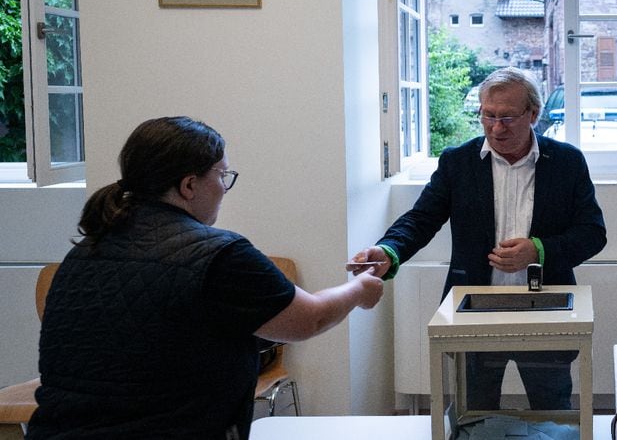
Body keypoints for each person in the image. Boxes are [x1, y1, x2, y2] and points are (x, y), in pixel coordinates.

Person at [27, 116, 384, 440]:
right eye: (222, 175)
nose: (224, 188)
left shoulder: (85, 251)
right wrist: (360, 289)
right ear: (188, 185)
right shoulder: (220, 254)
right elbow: (310, 318)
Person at [350, 67, 606, 411]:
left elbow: (592, 233)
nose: (496, 128)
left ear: (533, 114)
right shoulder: (459, 161)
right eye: (488, 115)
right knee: (474, 414)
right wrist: (388, 250)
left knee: (553, 412)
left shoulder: (566, 162)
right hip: (473, 310)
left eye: (508, 117)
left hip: (547, 309)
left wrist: (539, 250)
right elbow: (421, 219)